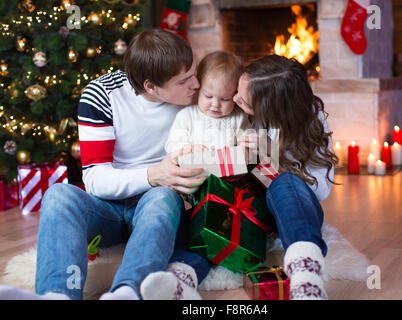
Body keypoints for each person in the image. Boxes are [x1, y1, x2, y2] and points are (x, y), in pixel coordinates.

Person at [0, 29, 211, 300]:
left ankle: (127, 291)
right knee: (59, 194)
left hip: (158, 203)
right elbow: (96, 180)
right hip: (107, 208)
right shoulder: (102, 95)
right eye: (184, 81)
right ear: (150, 86)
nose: (196, 84)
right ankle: (57, 294)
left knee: (161, 196)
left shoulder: (198, 98)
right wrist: (153, 174)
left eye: (194, 73)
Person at [233, 55, 339, 300]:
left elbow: (321, 191)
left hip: (293, 208)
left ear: (274, 111)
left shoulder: (312, 121)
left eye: (245, 102)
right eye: (238, 90)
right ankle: (183, 278)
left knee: (286, 182)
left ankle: (306, 280)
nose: (235, 99)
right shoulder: (237, 110)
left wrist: (271, 153)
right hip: (249, 206)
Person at [163, 50, 251, 155]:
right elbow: (172, 143)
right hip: (195, 169)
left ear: (235, 94)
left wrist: (245, 149)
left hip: (229, 170)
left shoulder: (239, 118)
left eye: (225, 99)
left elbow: (249, 140)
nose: (215, 104)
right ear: (198, 89)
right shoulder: (186, 116)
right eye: (208, 96)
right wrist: (187, 148)